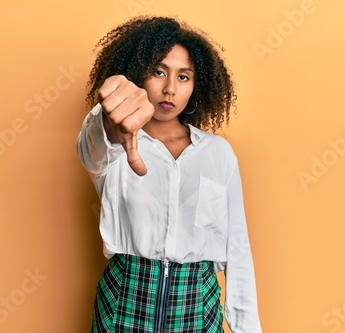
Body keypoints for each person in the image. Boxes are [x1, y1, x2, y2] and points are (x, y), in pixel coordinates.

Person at [77, 16, 262, 333]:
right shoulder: (113, 147)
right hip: (123, 302)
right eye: (158, 72)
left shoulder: (218, 154)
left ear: (197, 85)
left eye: (184, 76)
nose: (170, 88)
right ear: (138, 75)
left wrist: (248, 329)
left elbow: (238, 249)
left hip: (197, 308)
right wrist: (109, 120)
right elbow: (93, 146)